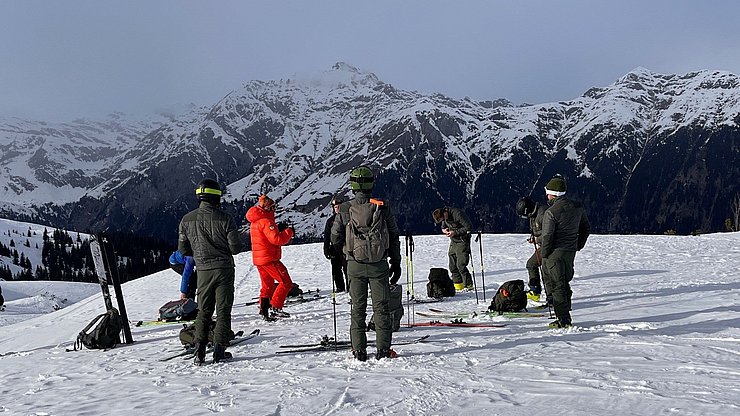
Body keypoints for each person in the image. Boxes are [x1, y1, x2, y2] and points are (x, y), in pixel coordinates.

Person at [331, 165, 402, 361]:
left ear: (353, 185)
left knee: (358, 307)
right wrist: (396, 261)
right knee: (381, 307)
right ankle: (383, 349)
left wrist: (345, 252)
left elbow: (335, 235)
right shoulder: (381, 206)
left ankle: (358, 350)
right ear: (371, 184)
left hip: (354, 264)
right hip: (379, 264)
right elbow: (394, 236)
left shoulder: (345, 209)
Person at [178, 178, 241, 364]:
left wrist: (199, 255)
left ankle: (199, 351)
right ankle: (219, 350)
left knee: (203, 311)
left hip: (203, 270)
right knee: (223, 310)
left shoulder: (186, 220)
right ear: (216, 197)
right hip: (224, 269)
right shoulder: (225, 219)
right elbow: (235, 248)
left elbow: (183, 250)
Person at [540, 174, 591, 328]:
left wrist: (544, 254)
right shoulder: (577, 207)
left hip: (554, 253)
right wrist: (577, 245)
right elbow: (586, 228)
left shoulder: (551, 212)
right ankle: (565, 309)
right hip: (570, 251)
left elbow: (547, 236)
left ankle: (563, 320)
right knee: (564, 282)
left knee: (557, 286)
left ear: (552, 194)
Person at [245, 194, 295, 321]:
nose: (275, 210)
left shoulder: (256, 221)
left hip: (259, 259)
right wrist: (288, 232)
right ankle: (276, 307)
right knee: (285, 282)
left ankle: (264, 309)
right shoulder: (266, 222)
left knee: (267, 285)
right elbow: (276, 239)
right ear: (269, 208)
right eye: (273, 207)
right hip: (269, 258)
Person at [431, 206, 474, 291]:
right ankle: (458, 286)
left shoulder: (457, 214)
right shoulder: (444, 217)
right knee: (452, 266)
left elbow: (469, 227)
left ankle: (468, 285)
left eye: (442, 219)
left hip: (462, 241)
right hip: (453, 241)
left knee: (461, 265)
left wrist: (455, 232)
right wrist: (444, 230)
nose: (443, 221)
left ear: (444, 213)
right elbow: (444, 226)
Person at [515, 196, 548, 303]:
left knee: (535, 265)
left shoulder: (542, 214)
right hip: (543, 244)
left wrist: (537, 239)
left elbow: (550, 233)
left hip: (549, 245)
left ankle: (543, 295)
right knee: (534, 265)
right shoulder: (534, 213)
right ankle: (537, 291)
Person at [323, 196, 348, 292]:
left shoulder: (347, 219)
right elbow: (327, 236)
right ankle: (340, 287)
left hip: (346, 247)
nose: (337, 208)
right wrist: (326, 249)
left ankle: (350, 287)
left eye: (338, 206)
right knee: (336, 270)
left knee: (347, 270)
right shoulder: (330, 221)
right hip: (334, 249)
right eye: (335, 207)